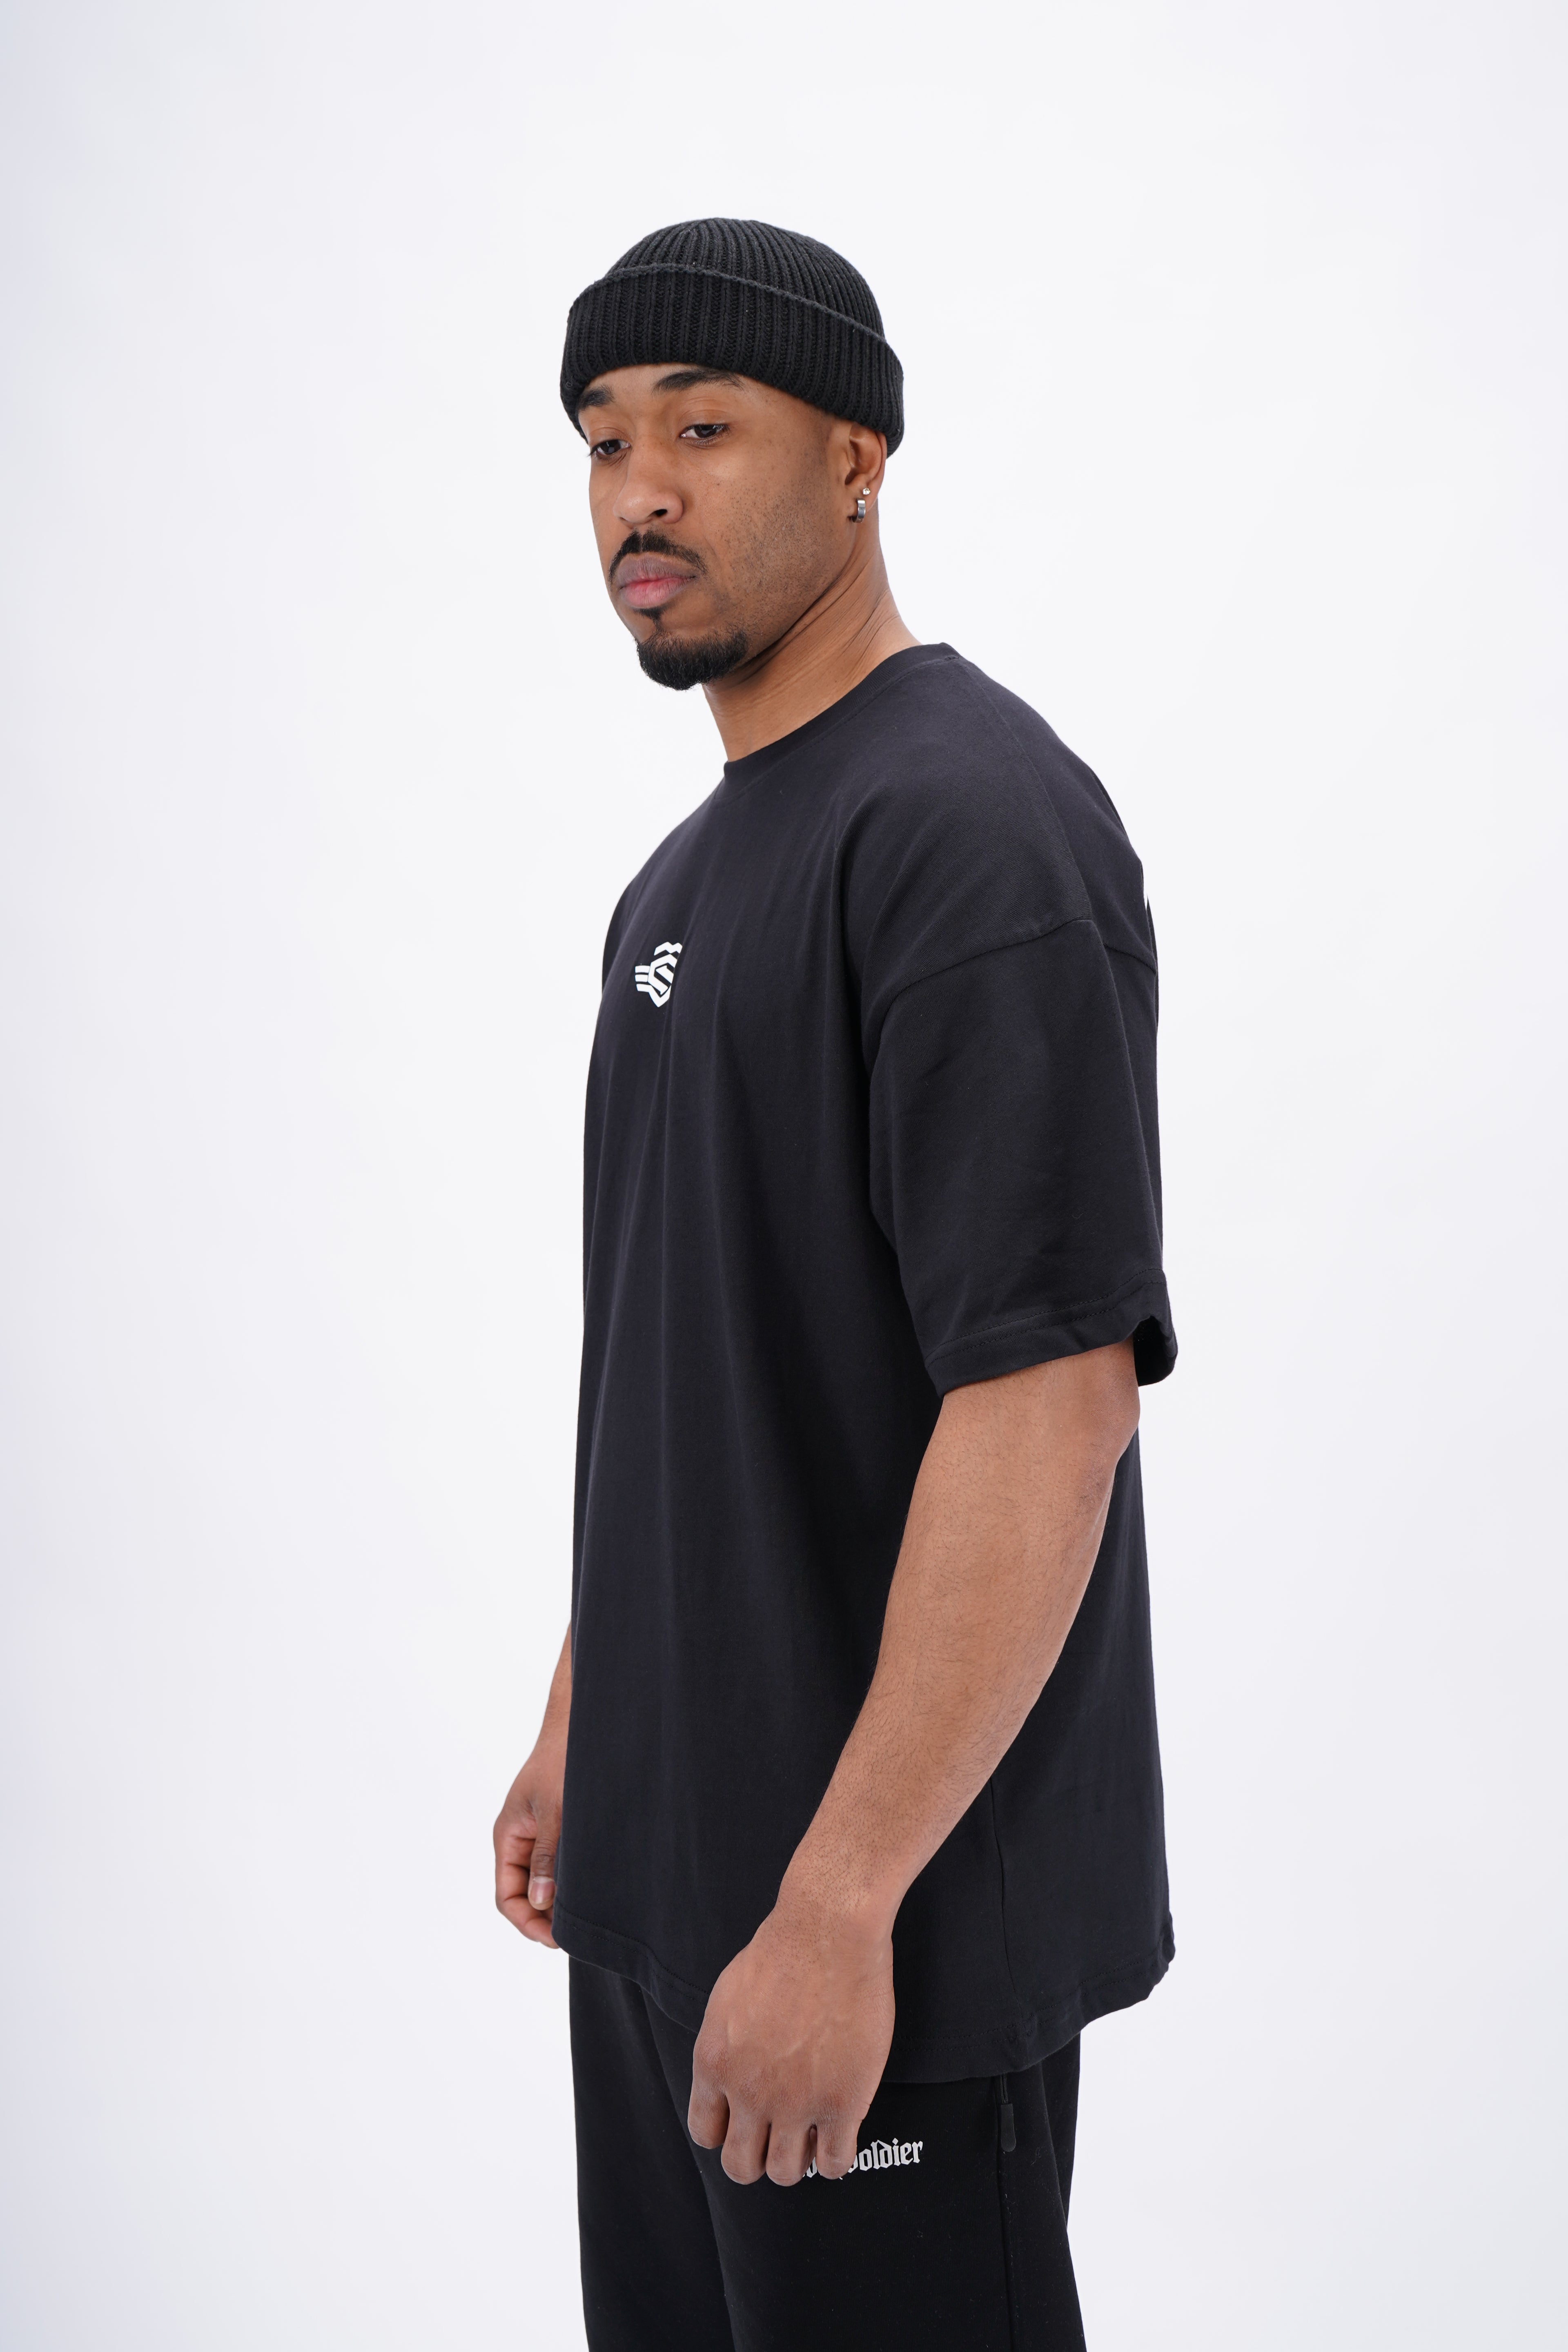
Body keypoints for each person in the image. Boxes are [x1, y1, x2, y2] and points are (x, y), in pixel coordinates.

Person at [493, 217, 1177, 2351]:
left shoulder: (972, 828)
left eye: (703, 430)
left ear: (859, 458)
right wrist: (587, 1720)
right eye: (604, 441)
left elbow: (1049, 1401)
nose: (640, 493)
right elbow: (694, 1365)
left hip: (878, 1943)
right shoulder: (678, 888)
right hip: (669, 1899)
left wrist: (839, 1902)